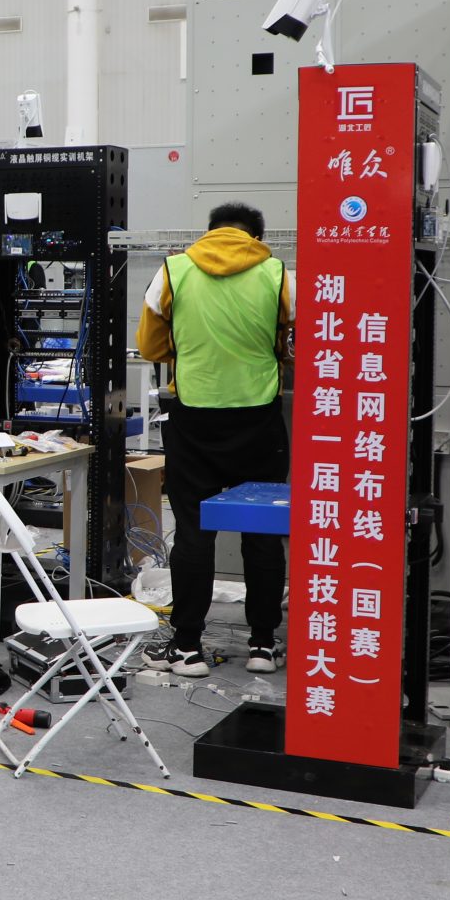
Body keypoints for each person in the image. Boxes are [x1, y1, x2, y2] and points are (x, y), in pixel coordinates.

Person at [136, 202, 294, 676]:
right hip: (260, 422)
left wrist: (189, 353)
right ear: (256, 237)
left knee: (193, 533)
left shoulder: (173, 271)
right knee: (262, 534)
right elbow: (294, 344)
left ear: (209, 233)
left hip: (194, 422)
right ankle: (263, 645)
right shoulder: (279, 276)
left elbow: (150, 346)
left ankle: (187, 647)